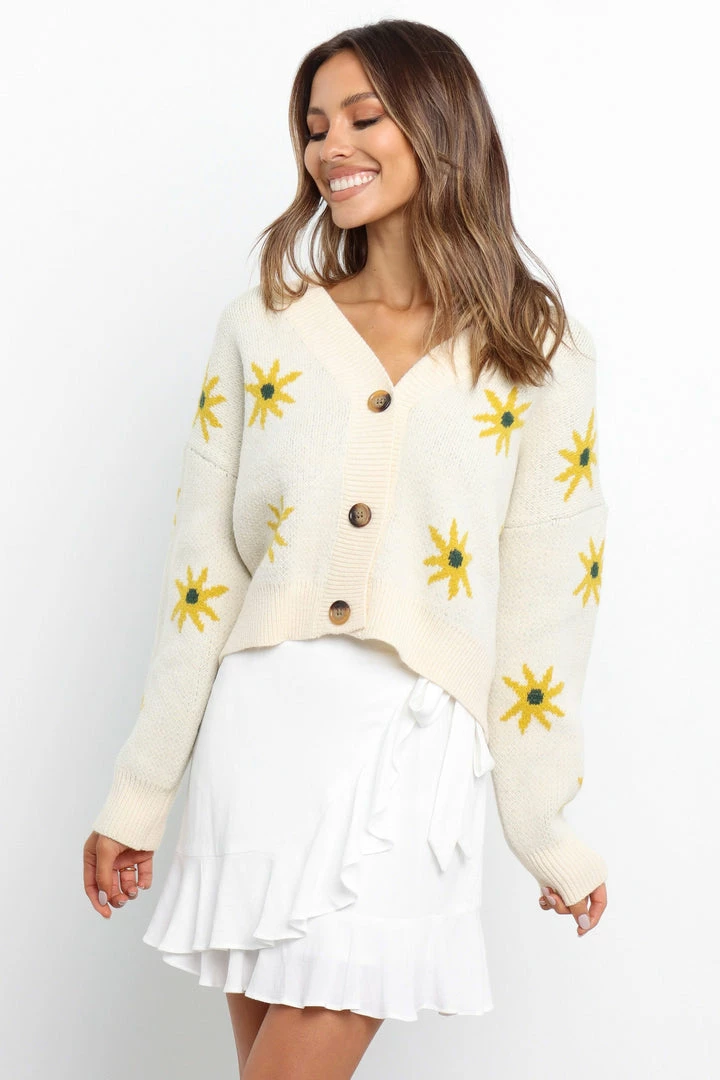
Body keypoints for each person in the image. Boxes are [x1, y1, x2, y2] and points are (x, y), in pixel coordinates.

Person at [83, 18, 610, 1080]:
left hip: (411, 740)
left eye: (365, 118)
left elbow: (551, 597)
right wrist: (140, 789)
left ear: (441, 127)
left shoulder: (535, 349)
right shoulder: (264, 327)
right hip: (257, 734)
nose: (332, 147)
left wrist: (541, 821)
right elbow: (203, 576)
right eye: (316, 126)